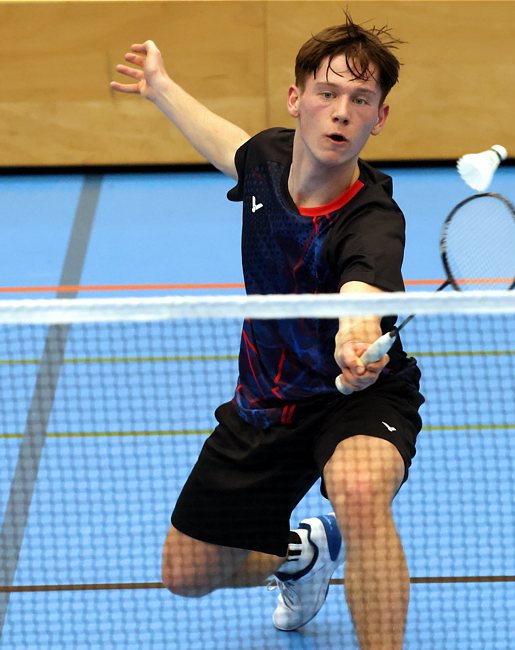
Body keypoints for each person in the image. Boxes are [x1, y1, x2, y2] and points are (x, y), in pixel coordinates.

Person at [111, 13, 423, 650]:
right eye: (328, 94)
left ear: (379, 119)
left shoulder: (372, 220)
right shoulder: (267, 160)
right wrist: (161, 87)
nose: (341, 112)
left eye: (361, 101)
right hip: (266, 402)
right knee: (188, 575)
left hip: (355, 398)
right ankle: (298, 556)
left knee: (360, 492)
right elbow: (228, 147)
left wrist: (353, 339)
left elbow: (361, 296)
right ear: (296, 99)